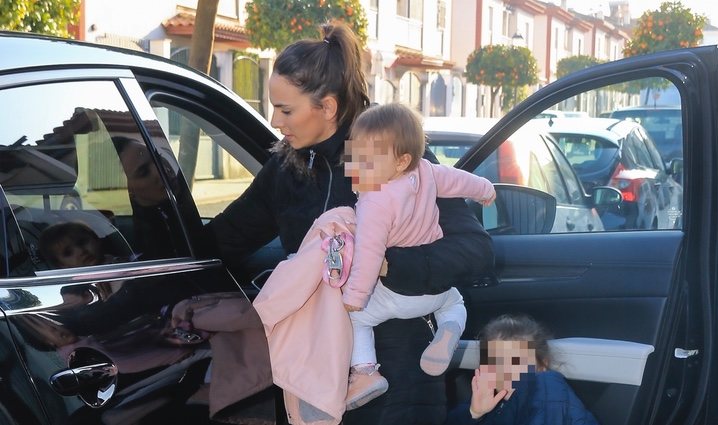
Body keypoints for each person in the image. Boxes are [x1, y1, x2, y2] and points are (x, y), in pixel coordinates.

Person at [207, 22, 494, 424]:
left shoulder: (392, 157)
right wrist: (150, 209)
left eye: (286, 109)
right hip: (318, 370)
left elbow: (474, 249)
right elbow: (222, 241)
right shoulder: (286, 168)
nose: (275, 120)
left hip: (397, 373)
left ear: (327, 107)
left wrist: (390, 266)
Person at [340, 103, 496, 410]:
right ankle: (449, 328)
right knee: (456, 301)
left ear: (401, 161)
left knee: (354, 320)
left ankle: (365, 373)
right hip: (436, 291)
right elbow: (460, 181)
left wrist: (355, 296)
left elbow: (370, 255)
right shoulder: (427, 172)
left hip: (398, 295)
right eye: (355, 157)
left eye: (367, 161)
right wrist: (486, 191)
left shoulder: (375, 201)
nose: (357, 166)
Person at [445, 314, 599, 425]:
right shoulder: (484, 400)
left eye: (516, 362)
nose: (506, 371)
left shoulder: (549, 391)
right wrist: (475, 413)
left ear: (541, 366)